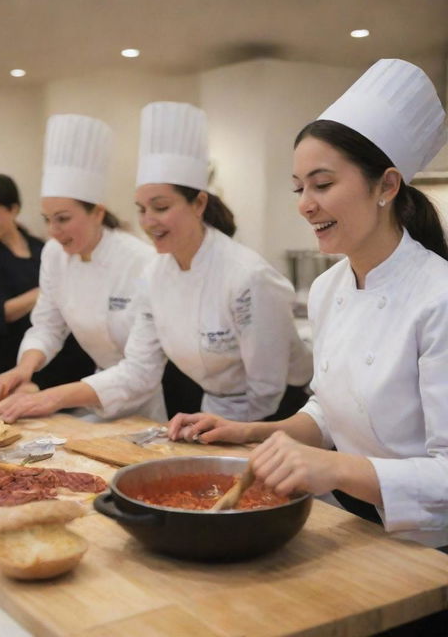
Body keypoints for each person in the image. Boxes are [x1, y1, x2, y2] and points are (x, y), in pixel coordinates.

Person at [169, 60, 448, 554]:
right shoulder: (327, 289)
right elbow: (328, 409)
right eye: (300, 188)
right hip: (352, 527)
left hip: (430, 548)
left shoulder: (439, 298)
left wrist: (335, 466)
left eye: (322, 185)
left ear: (386, 185)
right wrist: (252, 431)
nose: (304, 204)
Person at [0, 102, 312, 423]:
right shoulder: (156, 275)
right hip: (217, 410)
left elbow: (268, 387)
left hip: (283, 414)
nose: (148, 221)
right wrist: (53, 396)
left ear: (199, 203)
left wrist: (233, 434)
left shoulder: (246, 277)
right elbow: (139, 368)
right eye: (142, 209)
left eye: (160, 207)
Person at [0, 114, 167, 421]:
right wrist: (25, 367)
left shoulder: (142, 261)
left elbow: (140, 371)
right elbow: (48, 324)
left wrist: (54, 397)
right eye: (47, 220)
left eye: (63, 219)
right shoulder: (54, 255)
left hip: (141, 401)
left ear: (97, 212)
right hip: (94, 394)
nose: (53, 232)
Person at [0, 173, 95, 387]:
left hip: (49, 362)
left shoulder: (42, 248)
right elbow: (0, 312)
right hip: (3, 362)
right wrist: (44, 292)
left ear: (14, 209)